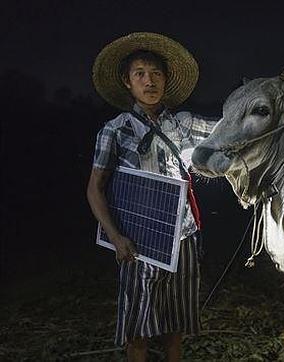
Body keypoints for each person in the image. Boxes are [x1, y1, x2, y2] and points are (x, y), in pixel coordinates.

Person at [86, 32, 217, 361]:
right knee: (139, 329)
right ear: (127, 82)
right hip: (139, 244)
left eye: (156, 73)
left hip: (184, 239)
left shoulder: (183, 123)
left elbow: (227, 130)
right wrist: (116, 238)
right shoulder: (116, 130)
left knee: (176, 325)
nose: (149, 81)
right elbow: (95, 188)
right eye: (140, 73)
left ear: (166, 80)